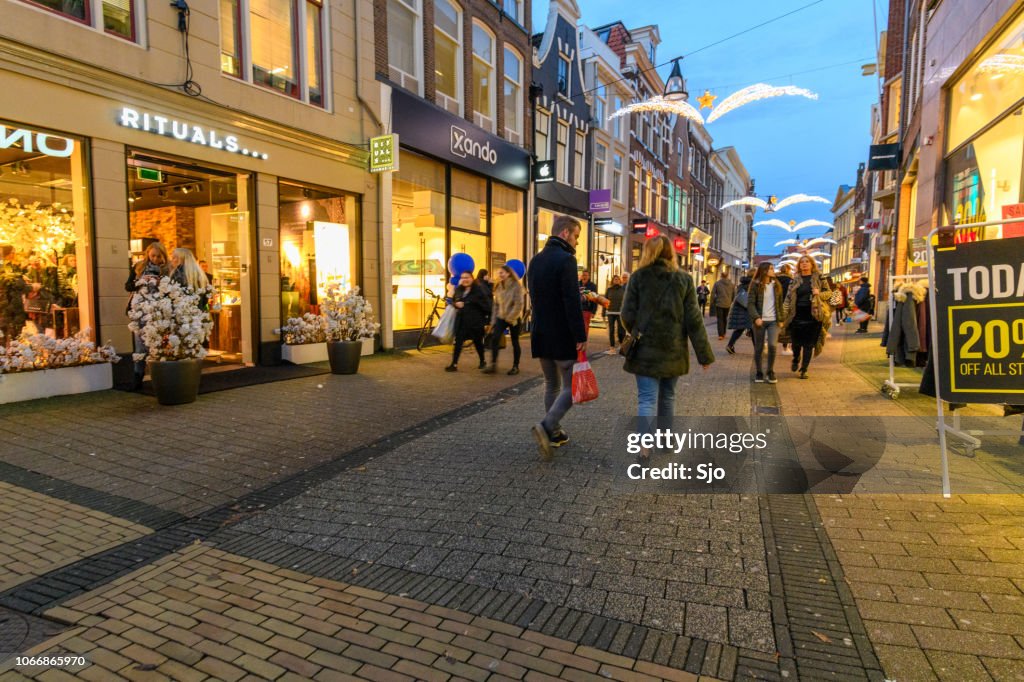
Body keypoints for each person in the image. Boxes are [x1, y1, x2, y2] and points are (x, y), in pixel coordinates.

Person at [621, 235, 713, 459]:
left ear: (647, 252)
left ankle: (644, 448)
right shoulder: (683, 279)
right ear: (671, 253)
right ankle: (666, 440)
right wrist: (704, 356)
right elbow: (694, 320)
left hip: (645, 350)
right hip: (673, 350)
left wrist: (637, 330)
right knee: (668, 397)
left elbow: (626, 314)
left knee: (646, 400)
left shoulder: (638, 277)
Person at [526, 216, 587, 460]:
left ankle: (555, 433)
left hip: (540, 331)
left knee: (551, 384)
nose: (577, 242)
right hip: (562, 334)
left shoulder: (535, 260)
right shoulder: (566, 260)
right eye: (576, 237)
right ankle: (546, 426)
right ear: (565, 233)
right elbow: (570, 301)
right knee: (572, 387)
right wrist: (579, 335)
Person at [125, 242, 169, 390]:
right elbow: (128, 286)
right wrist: (140, 282)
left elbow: (172, 289)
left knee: (159, 344)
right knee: (139, 346)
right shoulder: (139, 267)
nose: (155, 259)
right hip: (140, 310)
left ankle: (161, 377)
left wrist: (160, 283)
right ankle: (137, 377)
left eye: (158, 256)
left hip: (158, 311)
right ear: (147, 255)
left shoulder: (166, 269)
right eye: (152, 256)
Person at [781, 255, 831, 379]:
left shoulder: (820, 278)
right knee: (796, 343)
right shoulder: (794, 280)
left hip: (814, 315)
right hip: (796, 315)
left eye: (807, 262)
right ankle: (796, 357)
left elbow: (829, 293)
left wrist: (819, 293)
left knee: (809, 345)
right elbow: (788, 298)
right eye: (802, 262)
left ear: (812, 264)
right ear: (799, 265)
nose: (804, 264)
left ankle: (804, 369)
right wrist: (783, 315)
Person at [483, 264, 524, 375]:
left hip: (513, 318)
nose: (499, 275)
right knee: (495, 339)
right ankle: (493, 365)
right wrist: (492, 322)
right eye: (499, 273)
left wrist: (510, 318)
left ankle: (515, 366)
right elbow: (495, 305)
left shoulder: (516, 285)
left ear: (508, 273)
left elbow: (519, 304)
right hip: (501, 317)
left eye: (502, 272)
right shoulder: (498, 286)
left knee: (515, 341)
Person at [445, 271, 491, 372]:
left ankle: (482, 361)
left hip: (475, 323)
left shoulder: (479, 290)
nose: (465, 280)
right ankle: (454, 364)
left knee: (478, 343)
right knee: (458, 343)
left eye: (467, 277)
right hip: (462, 322)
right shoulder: (459, 290)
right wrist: (456, 304)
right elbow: (453, 301)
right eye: (463, 277)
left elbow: (487, 306)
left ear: (472, 278)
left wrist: (487, 322)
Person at [747, 263, 783, 383]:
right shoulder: (755, 285)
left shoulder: (776, 285)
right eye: (771, 269)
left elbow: (780, 304)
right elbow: (750, 303)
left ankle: (770, 371)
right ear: (764, 271)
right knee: (759, 347)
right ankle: (759, 372)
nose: (774, 271)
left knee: (773, 345)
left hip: (773, 320)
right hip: (760, 321)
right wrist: (756, 317)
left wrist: (781, 319)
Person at [725, 274, 753, 354]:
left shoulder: (741, 286)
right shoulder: (751, 286)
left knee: (740, 329)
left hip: (739, 310)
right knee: (753, 329)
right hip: (747, 310)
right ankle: (758, 350)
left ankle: (730, 345)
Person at [603, 275, 626, 352]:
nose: (616, 280)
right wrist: (603, 312)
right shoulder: (609, 290)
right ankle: (612, 347)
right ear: (612, 281)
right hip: (610, 312)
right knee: (611, 330)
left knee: (621, 330)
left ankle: (621, 344)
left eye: (618, 279)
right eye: (615, 279)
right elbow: (605, 301)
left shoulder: (623, 289)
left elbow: (626, 301)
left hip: (620, 312)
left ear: (620, 281)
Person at [776, 264, 794, 355]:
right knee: (786, 326)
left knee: (775, 325)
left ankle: (769, 342)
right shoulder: (791, 281)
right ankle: (785, 347)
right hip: (786, 305)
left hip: (775, 305)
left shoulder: (775, 280)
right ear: (788, 270)